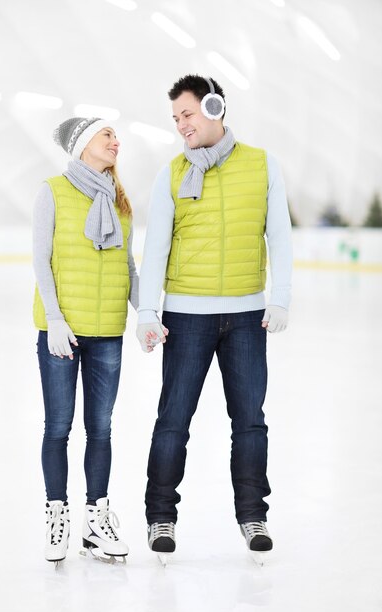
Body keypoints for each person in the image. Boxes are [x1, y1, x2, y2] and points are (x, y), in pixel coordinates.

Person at [136, 75, 292, 560]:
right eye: (176, 118)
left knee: (249, 422)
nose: (182, 125)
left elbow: (280, 235)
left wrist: (279, 297)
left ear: (214, 106)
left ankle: (253, 515)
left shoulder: (262, 165)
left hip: (247, 316)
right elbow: (157, 244)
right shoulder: (172, 172)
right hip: (187, 316)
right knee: (173, 421)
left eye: (187, 114)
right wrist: (147, 310)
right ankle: (161, 516)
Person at [33, 117, 138, 564]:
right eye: (106, 134)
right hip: (63, 332)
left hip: (108, 331)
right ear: (83, 145)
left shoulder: (119, 202)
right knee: (58, 427)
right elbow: (41, 258)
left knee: (101, 429)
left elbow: (127, 267)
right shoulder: (53, 191)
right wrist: (54, 319)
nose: (116, 141)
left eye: (115, 135)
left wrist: (146, 314)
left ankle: (97, 520)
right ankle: (58, 517)